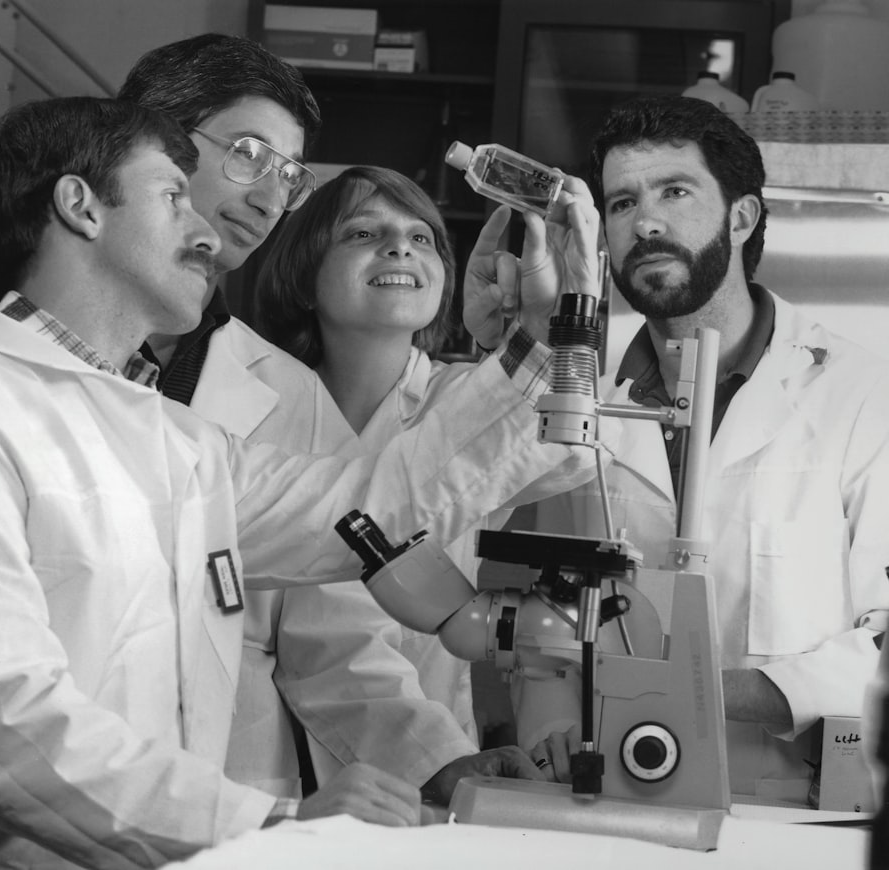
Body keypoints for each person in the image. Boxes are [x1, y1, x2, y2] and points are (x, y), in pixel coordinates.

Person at [0, 96, 590, 868]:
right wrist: (267, 823)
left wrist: (547, 331)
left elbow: (370, 506)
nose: (205, 234)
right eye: (172, 198)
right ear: (80, 207)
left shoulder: (178, 443)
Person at [113, 33, 609, 803]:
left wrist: (538, 342)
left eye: (287, 173)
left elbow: (341, 601)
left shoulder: (286, 391)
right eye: (250, 154)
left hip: (242, 790)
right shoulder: (2, 373)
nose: (270, 195)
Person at [499, 94, 889, 800]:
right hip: (600, 794)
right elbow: (546, 612)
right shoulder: (580, 390)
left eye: (674, 192)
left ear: (742, 217)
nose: (644, 222)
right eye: (620, 204)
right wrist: (550, 743)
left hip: (785, 808)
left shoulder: (864, 395)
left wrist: (707, 691)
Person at [251, 164, 603, 781]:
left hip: (425, 763)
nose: (399, 248)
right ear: (303, 275)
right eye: (362, 234)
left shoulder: (471, 401)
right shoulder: (249, 403)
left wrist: (550, 327)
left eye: (423, 239)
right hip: (252, 756)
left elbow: (572, 450)